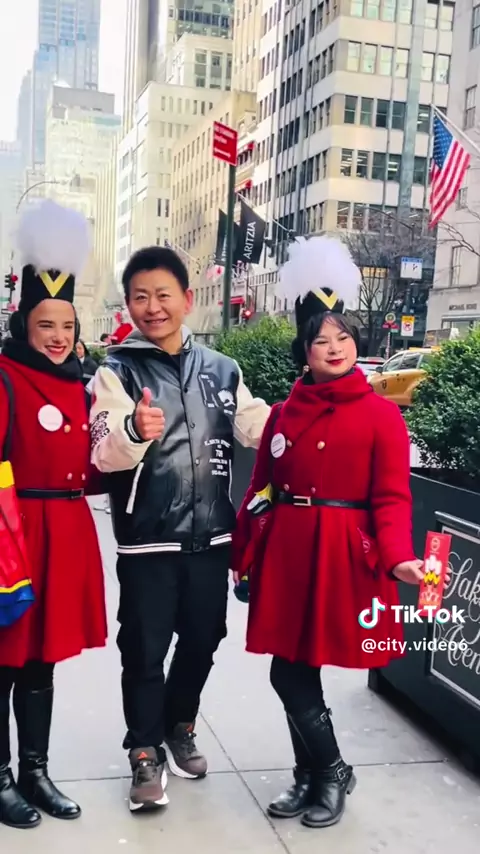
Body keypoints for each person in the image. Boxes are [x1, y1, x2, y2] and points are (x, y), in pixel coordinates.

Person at [232, 236, 426, 830]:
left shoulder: (381, 415)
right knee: (292, 667)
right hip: (288, 554)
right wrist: (244, 554)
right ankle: (311, 775)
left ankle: (332, 772)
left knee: (293, 672)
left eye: (343, 336)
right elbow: (261, 490)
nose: (335, 347)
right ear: (305, 350)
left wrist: (397, 557)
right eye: (321, 339)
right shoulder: (282, 414)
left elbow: (391, 497)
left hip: (340, 552)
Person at [89, 246, 270, 813]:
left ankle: (178, 723)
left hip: (211, 537)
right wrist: (133, 429)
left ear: (187, 300)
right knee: (144, 648)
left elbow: (257, 427)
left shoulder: (223, 369)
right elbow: (103, 450)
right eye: (140, 297)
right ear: (129, 304)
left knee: (203, 638)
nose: (153, 307)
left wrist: (311, 417)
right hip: (148, 539)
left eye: (163, 294)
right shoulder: (116, 370)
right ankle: (144, 751)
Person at [0, 200, 107, 830]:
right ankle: (0, 777)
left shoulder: (82, 384)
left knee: (42, 662)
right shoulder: (5, 378)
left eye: (66, 324)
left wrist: (133, 440)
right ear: (24, 324)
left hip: (64, 537)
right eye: (46, 325)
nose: (58, 336)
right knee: (3, 662)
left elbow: (91, 470)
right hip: (15, 541)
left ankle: (36, 772)